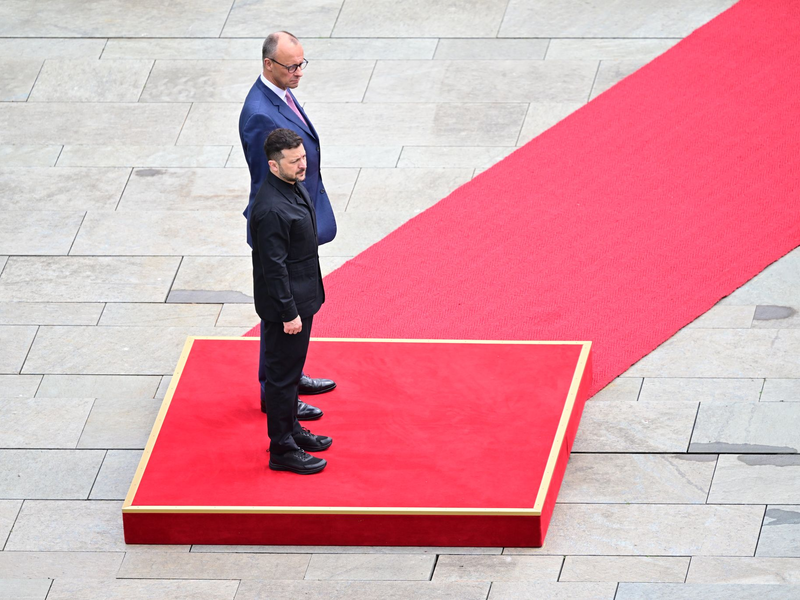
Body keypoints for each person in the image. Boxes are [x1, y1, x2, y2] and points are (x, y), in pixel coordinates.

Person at [239, 31, 336, 419]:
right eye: (291, 66)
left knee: (292, 310)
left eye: (301, 64)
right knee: (282, 315)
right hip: (284, 231)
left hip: (297, 221)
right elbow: (270, 184)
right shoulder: (260, 113)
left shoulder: (280, 92)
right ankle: (276, 392)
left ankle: (288, 378)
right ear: (269, 65)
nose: (299, 72)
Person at [250, 128, 331, 475]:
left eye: (303, 157)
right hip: (288, 309)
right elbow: (273, 267)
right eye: (294, 161)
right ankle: (281, 447)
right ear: (272, 165)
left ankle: (293, 431)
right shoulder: (269, 209)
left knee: (291, 371)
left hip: (301, 299)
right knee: (282, 380)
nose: (303, 165)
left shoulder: (291, 186)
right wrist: (289, 313)